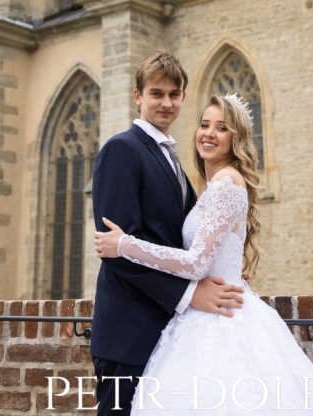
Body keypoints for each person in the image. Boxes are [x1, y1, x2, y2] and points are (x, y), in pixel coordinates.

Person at [95, 92, 313, 415]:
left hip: (219, 317)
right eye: (204, 125)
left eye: (222, 128)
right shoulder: (213, 185)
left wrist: (124, 244)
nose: (209, 133)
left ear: (236, 138)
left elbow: (196, 262)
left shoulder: (226, 184)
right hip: (205, 312)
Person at [90, 53, 246, 416]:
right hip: (129, 333)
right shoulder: (122, 150)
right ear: (138, 96)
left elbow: (185, 242)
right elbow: (118, 253)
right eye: (156, 93)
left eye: (174, 95)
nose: (166, 103)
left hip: (169, 333)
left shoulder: (174, 161)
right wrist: (191, 294)